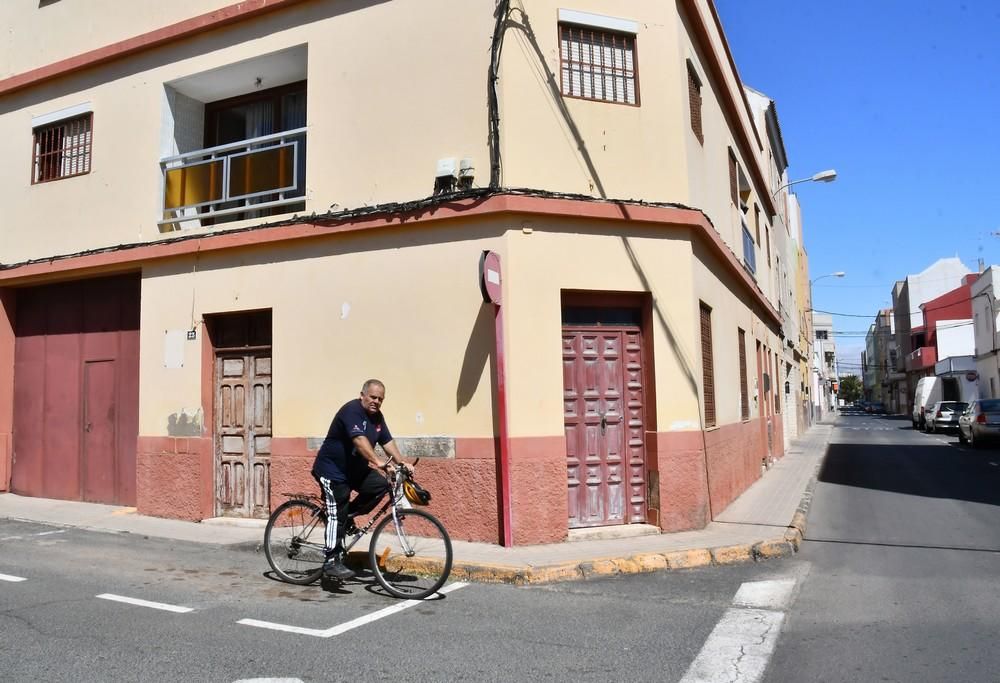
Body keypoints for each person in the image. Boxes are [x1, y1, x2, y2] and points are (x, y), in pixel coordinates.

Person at [311, 379, 412, 580]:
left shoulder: (377, 418)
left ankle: (347, 518)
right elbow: (359, 440)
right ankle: (330, 561)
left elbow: (387, 441)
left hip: (354, 471)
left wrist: (402, 463)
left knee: (380, 485)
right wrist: (378, 461)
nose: (376, 401)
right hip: (332, 471)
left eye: (380, 399)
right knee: (338, 507)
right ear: (362, 395)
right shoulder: (351, 411)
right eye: (373, 397)